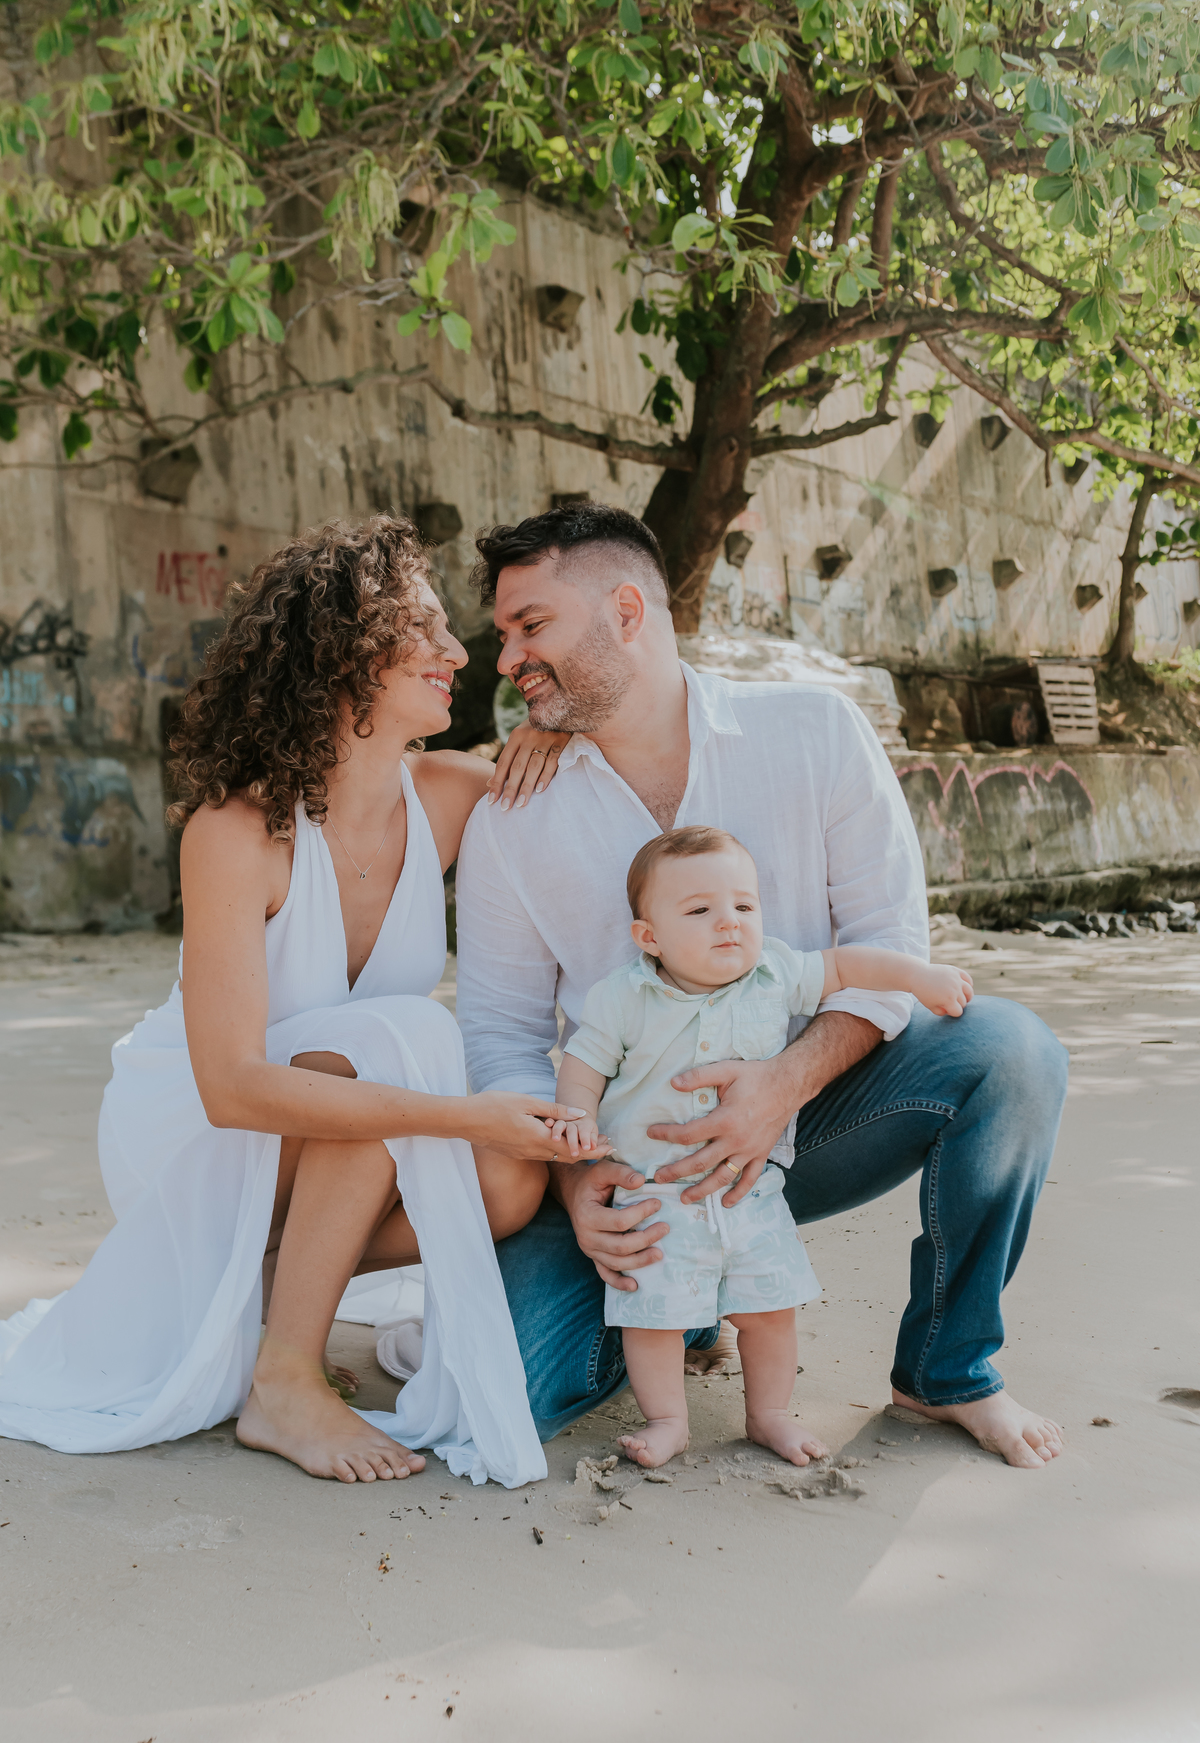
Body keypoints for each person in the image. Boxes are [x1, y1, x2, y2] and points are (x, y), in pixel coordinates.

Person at [455, 503, 1069, 1470]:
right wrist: (577, 1183)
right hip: (633, 1160)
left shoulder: (814, 733)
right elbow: (499, 1037)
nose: (508, 659)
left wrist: (780, 1085)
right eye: (504, 635)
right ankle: (696, 1300)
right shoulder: (512, 818)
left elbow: (886, 947)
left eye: (531, 627)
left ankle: (946, 1372)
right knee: (496, 1396)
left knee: (1012, 1052)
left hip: (807, 1119)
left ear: (626, 611)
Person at [0, 514, 584, 1488]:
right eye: (425, 628)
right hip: (192, 1128)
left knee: (507, 1183)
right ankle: (282, 1379)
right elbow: (231, 1087)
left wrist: (553, 736)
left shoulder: (453, 797)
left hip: (330, 1127)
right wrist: (459, 1114)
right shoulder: (237, 831)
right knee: (403, 1037)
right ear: (344, 654)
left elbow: (600, 823)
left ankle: (273, 1286)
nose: (457, 652)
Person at [549, 824, 975, 1470]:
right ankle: (667, 1421)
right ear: (649, 937)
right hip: (654, 1194)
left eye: (744, 905)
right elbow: (583, 1065)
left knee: (771, 1310)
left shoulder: (773, 971)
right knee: (652, 1318)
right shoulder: (622, 998)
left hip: (751, 1187)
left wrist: (919, 975)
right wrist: (578, 1123)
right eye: (700, 910)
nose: (730, 922)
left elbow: (847, 966)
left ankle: (768, 1414)